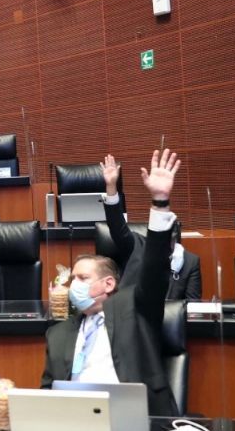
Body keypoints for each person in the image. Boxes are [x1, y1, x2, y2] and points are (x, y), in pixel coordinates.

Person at [41, 149, 182, 417]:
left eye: (82, 279)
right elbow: (48, 395)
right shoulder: (57, 335)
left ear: (108, 285)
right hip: (75, 423)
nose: (74, 286)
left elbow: (153, 269)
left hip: (132, 418)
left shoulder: (133, 310)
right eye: (72, 280)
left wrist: (160, 201)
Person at [99, 155, 201, 301]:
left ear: (175, 239)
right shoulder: (137, 246)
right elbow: (117, 227)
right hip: (130, 315)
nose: (162, 244)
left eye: (167, 239)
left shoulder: (190, 261)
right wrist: (111, 187)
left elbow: (192, 305)